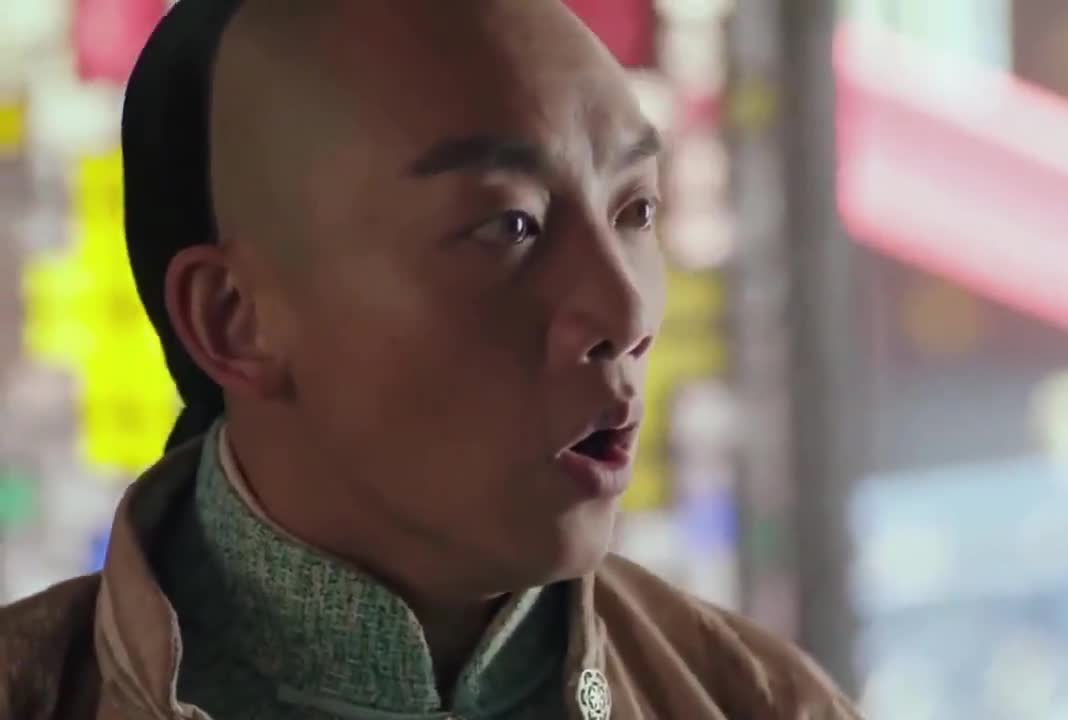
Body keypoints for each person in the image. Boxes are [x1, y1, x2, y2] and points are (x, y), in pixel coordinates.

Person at [0, 1, 862, 718]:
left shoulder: (756, 701)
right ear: (234, 319)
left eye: (635, 210)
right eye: (509, 225)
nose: (626, 314)